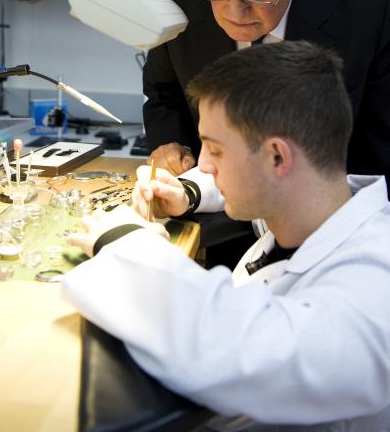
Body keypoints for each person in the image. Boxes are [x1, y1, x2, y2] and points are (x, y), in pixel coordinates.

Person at [62, 41, 390, 431]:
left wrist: (126, 242)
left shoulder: (375, 280)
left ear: (277, 158)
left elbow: (250, 354)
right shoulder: (311, 207)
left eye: (214, 150)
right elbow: (251, 178)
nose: (201, 164)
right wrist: (188, 192)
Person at [143, 0, 390, 192]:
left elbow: (380, 138)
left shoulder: (369, 1)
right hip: (206, 199)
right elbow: (164, 92)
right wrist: (172, 144)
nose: (235, 11)